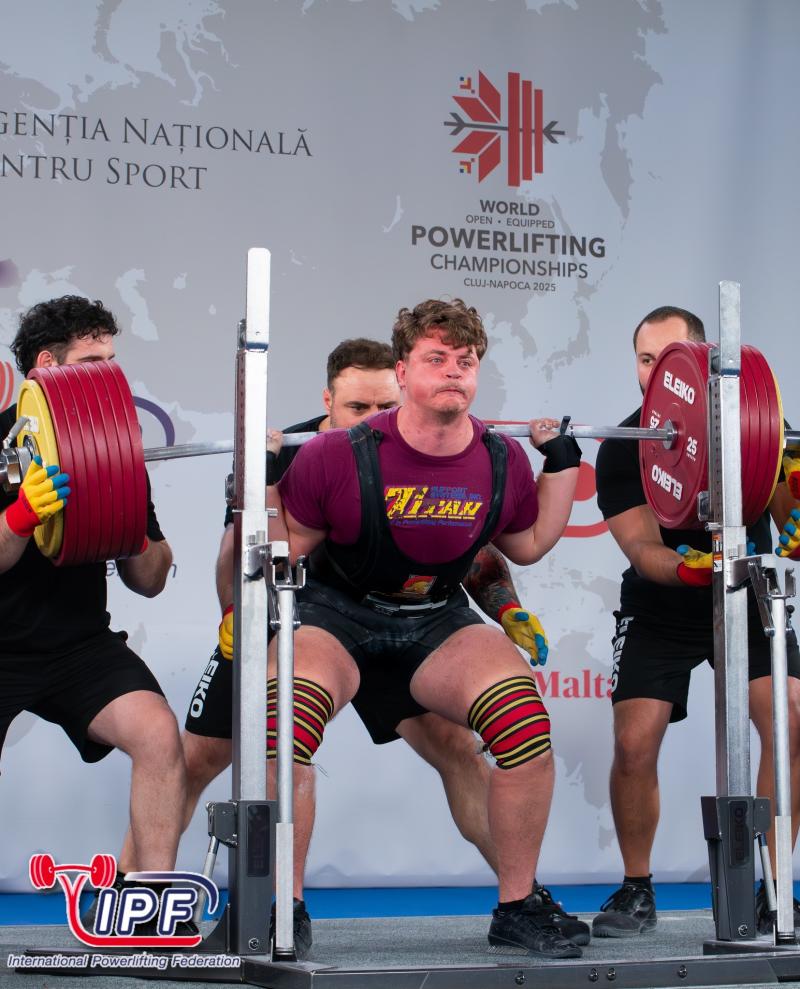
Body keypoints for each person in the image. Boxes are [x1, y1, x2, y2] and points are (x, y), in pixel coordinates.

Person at [183, 337, 584, 952]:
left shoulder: (477, 453)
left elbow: (485, 547)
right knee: (261, 736)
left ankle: (520, 901)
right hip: (328, 618)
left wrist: (508, 603)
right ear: (329, 402)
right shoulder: (311, 454)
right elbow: (259, 558)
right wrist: (253, 506)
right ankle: (268, 906)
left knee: (510, 729)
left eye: (380, 407)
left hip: (429, 621)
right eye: (356, 408)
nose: (369, 419)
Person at [592, 305, 800, 938]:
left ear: (704, 363)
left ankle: (774, 889)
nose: (655, 372)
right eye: (644, 359)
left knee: (791, 719)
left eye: (667, 358)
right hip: (663, 603)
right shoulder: (623, 448)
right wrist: (691, 570)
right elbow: (641, 550)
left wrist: (796, 526)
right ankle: (636, 888)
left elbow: (788, 515)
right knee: (634, 742)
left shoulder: (761, 429)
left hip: (747, 595)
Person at [0, 296, 187, 911]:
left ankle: (149, 907)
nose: (109, 373)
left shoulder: (112, 448)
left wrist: (131, 527)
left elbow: (150, 581)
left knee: (158, 735)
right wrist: (21, 516)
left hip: (78, 645)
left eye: (112, 359)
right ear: (46, 365)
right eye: (92, 361)